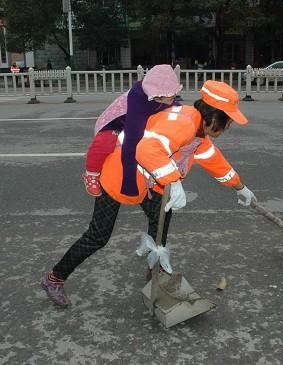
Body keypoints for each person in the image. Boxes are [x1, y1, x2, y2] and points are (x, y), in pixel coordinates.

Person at [42, 80, 258, 307]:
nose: (228, 128)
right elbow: (146, 149)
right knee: (98, 237)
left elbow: (212, 159)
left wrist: (239, 186)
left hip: (147, 179)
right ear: (215, 117)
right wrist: (172, 181)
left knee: (162, 216)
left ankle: (155, 269)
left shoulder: (197, 129)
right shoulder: (183, 124)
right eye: (229, 123)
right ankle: (54, 279)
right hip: (120, 174)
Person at [82, 64, 182, 198]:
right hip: (113, 123)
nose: (173, 98)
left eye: (174, 94)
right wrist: (129, 184)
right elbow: (132, 141)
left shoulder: (165, 96)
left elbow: (176, 110)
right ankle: (91, 173)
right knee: (104, 143)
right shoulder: (138, 97)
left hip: (138, 119)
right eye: (170, 95)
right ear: (158, 94)